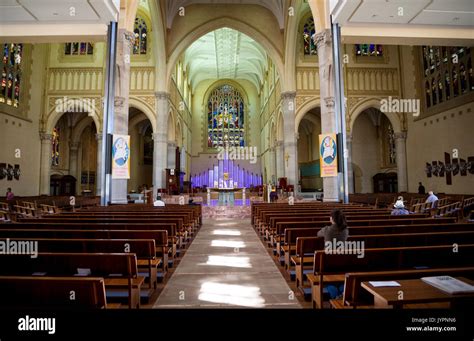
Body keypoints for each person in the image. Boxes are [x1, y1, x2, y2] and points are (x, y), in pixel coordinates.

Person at [317, 209, 348, 300]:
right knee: (340, 281)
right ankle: (343, 292)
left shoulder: (327, 229)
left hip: (328, 262)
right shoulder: (345, 230)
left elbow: (318, 234)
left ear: (332, 219)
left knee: (328, 282)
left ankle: (335, 296)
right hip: (343, 261)